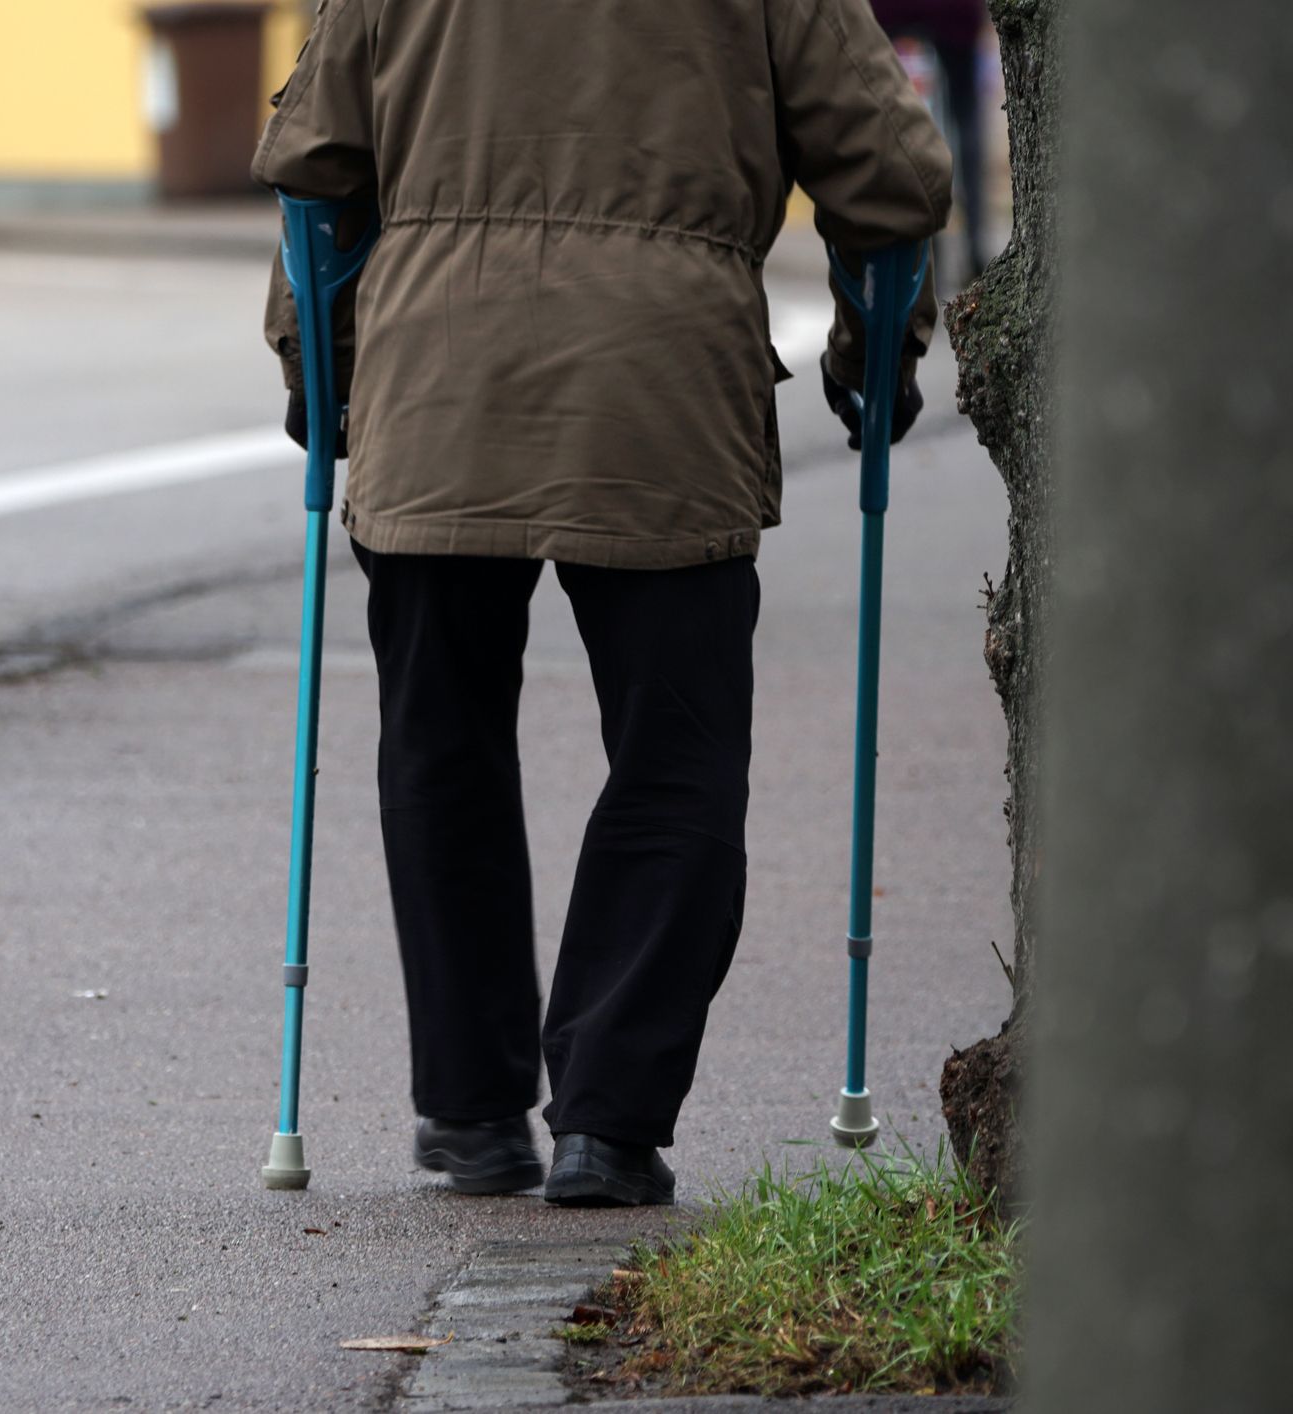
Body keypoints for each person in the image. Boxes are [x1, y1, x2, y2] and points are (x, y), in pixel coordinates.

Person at [254, 0, 950, 1207]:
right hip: (663, 391)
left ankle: (471, 1114)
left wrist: (316, 362)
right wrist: (875, 350)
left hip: (436, 388)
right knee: (676, 755)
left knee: (440, 744)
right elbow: (886, 173)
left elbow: (318, 173)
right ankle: (608, 1123)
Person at [871, 0, 993, 278]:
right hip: (954, 11)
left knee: (885, 115)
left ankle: (915, 244)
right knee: (964, 122)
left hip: (891, 12)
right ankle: (974, 245)